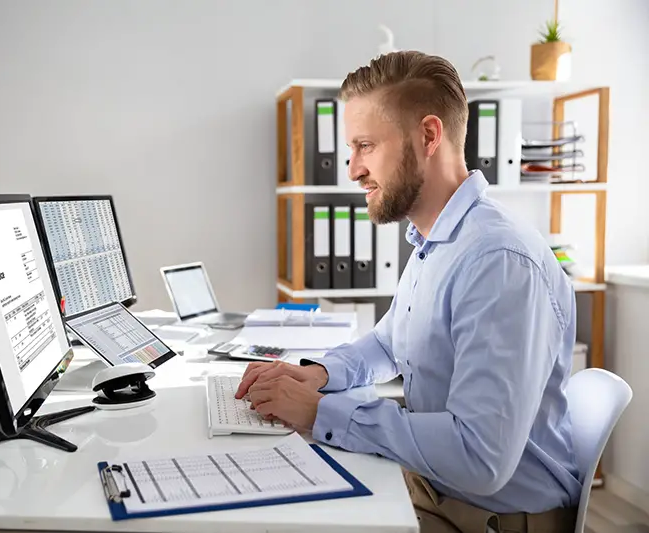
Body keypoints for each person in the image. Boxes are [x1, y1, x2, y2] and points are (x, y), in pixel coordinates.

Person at [236, 50, 581, 533]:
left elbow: (479, 457)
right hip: (443, 489)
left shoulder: (497, 260)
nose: (352, 169)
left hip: (492, 517)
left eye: (365, 146)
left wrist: (323, 412)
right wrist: (316, 375)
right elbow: (388, 342)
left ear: (428, 136)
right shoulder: (436, 240)